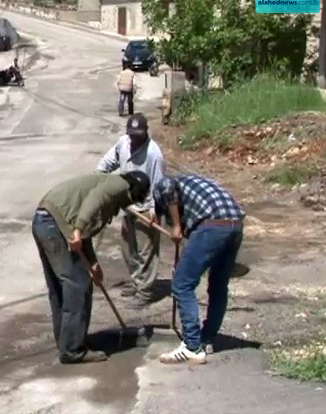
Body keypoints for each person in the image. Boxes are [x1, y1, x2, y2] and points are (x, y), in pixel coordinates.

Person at [32, 171, 151, 364]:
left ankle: (65, 340)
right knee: (78, 284)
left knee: (61, 285)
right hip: (54, 225)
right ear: (133, 190)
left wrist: (93, 263)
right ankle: (72, 350)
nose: (131, 204)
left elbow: (83, 228)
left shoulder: (108, 185)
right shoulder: (117, 185)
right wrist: (78, 230)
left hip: (45, 221)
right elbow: (93, 202)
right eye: (135, 198)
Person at [152, 175, 245, 364]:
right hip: (235, 224)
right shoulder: (193, 185)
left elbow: (167, 188)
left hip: (213, 225)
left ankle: (192, 346)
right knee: (218, 285)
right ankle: (207, 338)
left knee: (181, 284)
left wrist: (176, 226)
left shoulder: (163, 186)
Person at [95, 113, 166, 308]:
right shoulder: (123, 143)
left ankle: (145, 292)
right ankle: (137, 282)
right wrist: (99, 176)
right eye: (132, 135)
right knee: (128, 249)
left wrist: (155, 210)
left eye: (138, 135)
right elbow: (108, 161)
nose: (134, 139)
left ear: (145, 133)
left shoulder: (154, 154)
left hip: (146, 208)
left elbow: (159, 185)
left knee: (146, 252)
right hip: (128, 204)